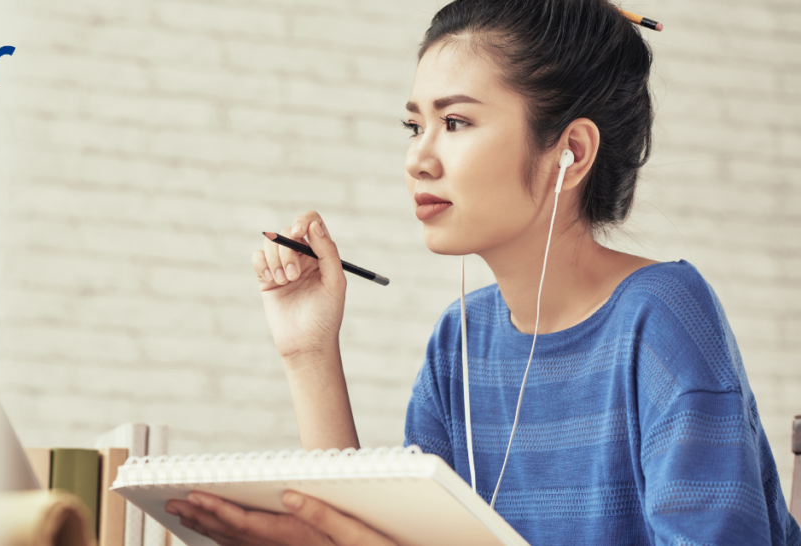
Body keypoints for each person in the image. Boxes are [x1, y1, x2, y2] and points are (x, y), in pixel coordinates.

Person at [165, 0, 801, 544]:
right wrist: (309, 351)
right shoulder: (460, 342)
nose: (418, 158)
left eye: (456, 122)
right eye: (414, 126)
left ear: (571, 152)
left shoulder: (662, 317)